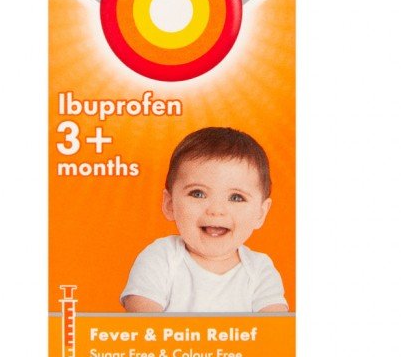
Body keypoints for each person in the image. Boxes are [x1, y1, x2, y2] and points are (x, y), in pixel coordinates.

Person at [121, 127, 288, 312]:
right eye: (198, 193)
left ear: (260, 213)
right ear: (169, 204)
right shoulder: (161, 257)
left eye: (236, 197)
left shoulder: (260, 270)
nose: (216, 210)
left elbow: (275, 327)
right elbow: (143, 322)